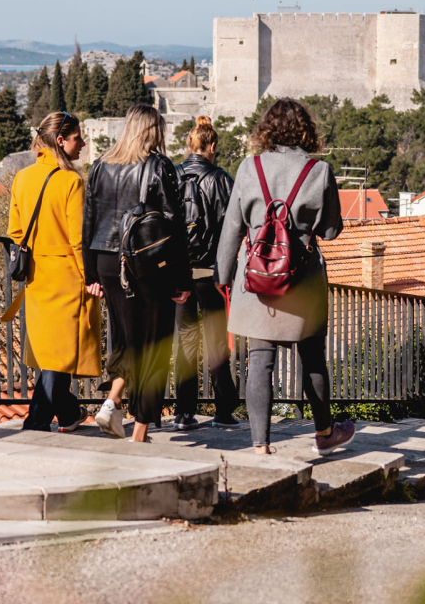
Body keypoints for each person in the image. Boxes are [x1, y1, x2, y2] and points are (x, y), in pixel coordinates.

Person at [215, 98, 354, 456]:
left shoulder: (249, 167)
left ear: (267, 130)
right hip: (302, 278)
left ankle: (260, 447)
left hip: (257, 276)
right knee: (312, 359)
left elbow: (232, 226)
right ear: (306, 129)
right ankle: (325, 432)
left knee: (260, 361)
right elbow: (332, 230)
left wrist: (223, 273)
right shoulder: (319, 172)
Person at [83, 103, 191, 443]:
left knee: (128, 339)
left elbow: (87, 222)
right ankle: (140, 429)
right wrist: (182, 280)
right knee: (155, 345)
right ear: (153, 131)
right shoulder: (160, 167)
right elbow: (175, 228)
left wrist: (91, 274)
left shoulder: (100, 165)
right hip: (145, 264)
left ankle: (113, 402)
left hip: (106, 262)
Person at [9, 112, 101, 432]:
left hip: (37, 277)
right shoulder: (71, 181)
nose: (83, 143)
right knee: (58, 356)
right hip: (67, 279)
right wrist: (91, 278)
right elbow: (79, 240)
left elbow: (15, 231)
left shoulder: (22, 178)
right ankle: (35, 423)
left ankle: (68, 413)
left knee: (50, 353)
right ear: (61, 141)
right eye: (78, 137)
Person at [172, 116, 240, 430]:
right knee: (216, 344)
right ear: (211, 147)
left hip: (179, 276)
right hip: (212, 275)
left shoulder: (172, 175)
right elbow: (232, 228)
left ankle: (183, 413)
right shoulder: (221, 179)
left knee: (185, 343)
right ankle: (224, 410)